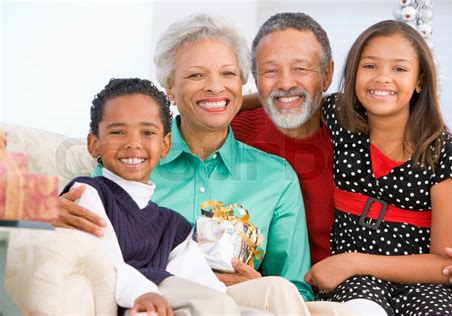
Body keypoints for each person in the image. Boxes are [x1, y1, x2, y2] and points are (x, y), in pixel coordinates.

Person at [55, 14, 314, 315]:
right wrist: (46, 216)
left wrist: (256, 281)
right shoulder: (133, 162)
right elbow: (96, 236)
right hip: (155, 295)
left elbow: (298, 291)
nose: (215, 87)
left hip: (240, 299)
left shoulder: (277, 177)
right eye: (195, 75)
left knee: (277, 290)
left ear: (242, 85)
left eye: (228, 74)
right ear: (170, 89)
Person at [304, 20, 452, 315]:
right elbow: (290, 99)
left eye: (399, 69)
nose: (382, 78)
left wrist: (352, 260)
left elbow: (447, 262)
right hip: (356, 283)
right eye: (370, 66)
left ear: (420, 81)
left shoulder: (445, 153)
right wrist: (237, 100)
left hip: (424, 284)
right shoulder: (339, 119)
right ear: (353, 73)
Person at [62, 78, 234, 315]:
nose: (133, 143)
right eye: (118, 132)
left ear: (165, 145)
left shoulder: (172, 224)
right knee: (217, 305)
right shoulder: (88, 193)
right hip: (134, 298)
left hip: (171, 297)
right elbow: (102, 259)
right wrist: (141, 292)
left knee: (274, 292)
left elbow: (204, 284)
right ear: (94, 144)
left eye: (147, 132)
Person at [231, 12, 335, 267]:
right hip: (263, 290)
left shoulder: (354, 130)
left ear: (327, 74)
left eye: (300, 68)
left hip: (346, 290)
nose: (286, 83)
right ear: (255, 79)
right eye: (270, 71)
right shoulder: (232, 131)